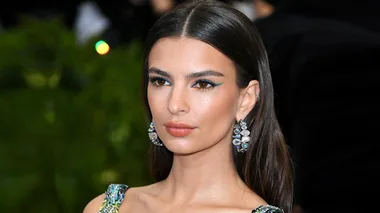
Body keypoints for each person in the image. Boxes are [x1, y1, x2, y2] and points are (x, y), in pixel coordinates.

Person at [83, 0, 293, 213]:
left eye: (202, 84)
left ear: (246, 99)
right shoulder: (108, 207)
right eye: (161, 81)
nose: (175, 104)